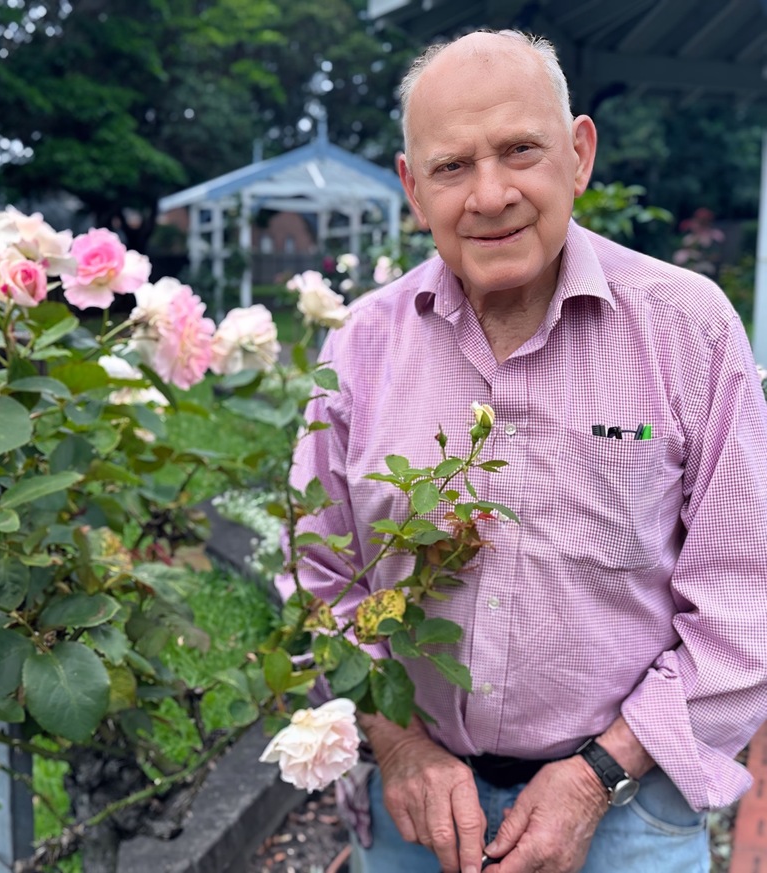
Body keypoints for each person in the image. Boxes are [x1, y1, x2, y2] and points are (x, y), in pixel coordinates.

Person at [283, 28, 767, 873]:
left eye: (519, 150)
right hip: (418, 814)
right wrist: (398, 748)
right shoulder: (359, 348)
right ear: (412, 187)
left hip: (627, 811)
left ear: (578, 155)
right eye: (452, 166)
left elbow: (743, 597)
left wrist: (594, 777)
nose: (491, 193)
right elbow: (318, 581)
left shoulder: (689, 330)